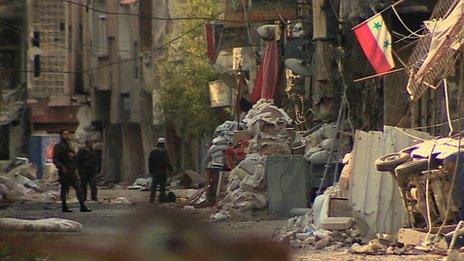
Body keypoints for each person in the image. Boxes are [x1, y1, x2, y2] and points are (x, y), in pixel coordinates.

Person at [53, 129, 91, 213]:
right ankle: (64, 207)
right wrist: (61, 167)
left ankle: (82, 206)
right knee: (65, 189)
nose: (66, 136)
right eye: (64, 134)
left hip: (71, 170)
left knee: (78, 188)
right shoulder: (59, 146)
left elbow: (74, 157)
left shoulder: (69, 145)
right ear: (61, 135)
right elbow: (55, 159)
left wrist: (74, 157)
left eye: (67, 134)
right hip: (64, 171)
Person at [148, 137, 172, 203]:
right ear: (163, 144)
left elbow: (150, 162)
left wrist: (151, 171)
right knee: (162, 186)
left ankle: (151, 199)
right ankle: (162, 199)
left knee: (154, 186)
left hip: (155, 171)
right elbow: (167, 162)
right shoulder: (164, 151)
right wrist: (170, 170)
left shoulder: (153, 151)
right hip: (162, 171)